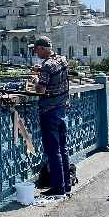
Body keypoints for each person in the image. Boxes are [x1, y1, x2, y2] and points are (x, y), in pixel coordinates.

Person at [29, 36, 71, 199]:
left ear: (43, 48)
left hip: (49, 111)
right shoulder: (62, 60)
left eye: (36, 49)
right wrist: (42, 71)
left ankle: (58, 189)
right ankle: (67, 185)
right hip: (62, 109)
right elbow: (54, 73)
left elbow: (41, 90)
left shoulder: (47, 66)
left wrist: (36, 81)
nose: (35, 52)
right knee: (63, 149)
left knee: (53, 152)